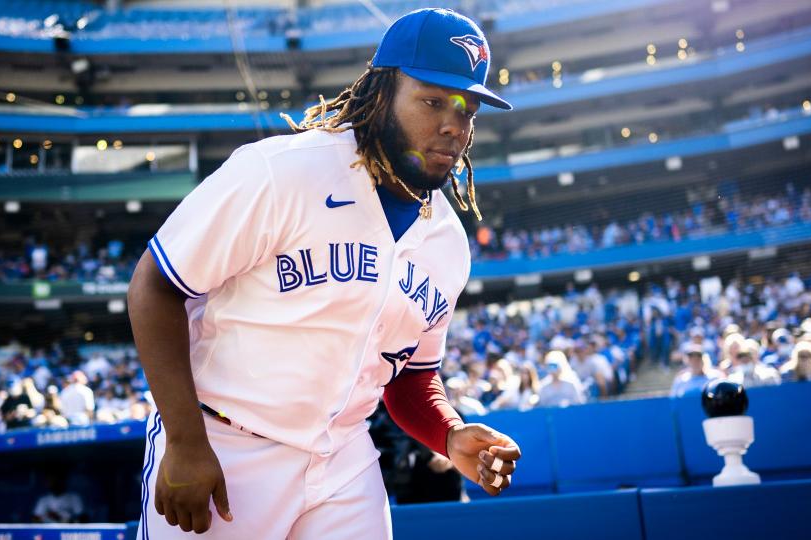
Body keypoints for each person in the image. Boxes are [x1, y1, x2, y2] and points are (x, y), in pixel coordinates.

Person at [127, 9, 521, 538]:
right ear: (382, 93)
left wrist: (448, 435)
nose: (455, 125)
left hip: (344, 460)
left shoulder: (448, 243)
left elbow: (410, 378)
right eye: (433, 101)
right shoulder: (282, 171)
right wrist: (185, 440)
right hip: (224, 444)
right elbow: (154, 286)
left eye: (469, 110)